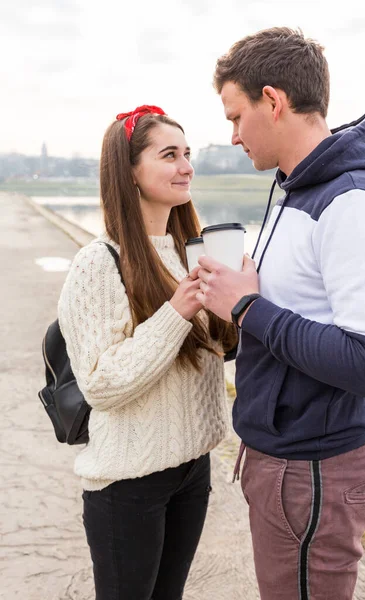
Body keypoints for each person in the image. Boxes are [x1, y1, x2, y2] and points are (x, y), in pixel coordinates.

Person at [194, 27, 365, 600]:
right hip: (288, 463)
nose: (234, 135)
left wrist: (247, 306)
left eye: (235, 116)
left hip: (314, 472)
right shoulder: (296, 190)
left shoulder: (355, 202)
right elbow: (292, 314)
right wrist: (234, 304)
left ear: (273, 100)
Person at [58, 104, 237, 600]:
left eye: (188, 154)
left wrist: (240, 299)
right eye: (169, 155)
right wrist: (177, 311)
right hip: (127, 481)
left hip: (192, 466)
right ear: (131, 172)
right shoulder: (99, 262)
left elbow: (218, 351)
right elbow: (101, 383)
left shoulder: (190, 253)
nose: (186, 166)